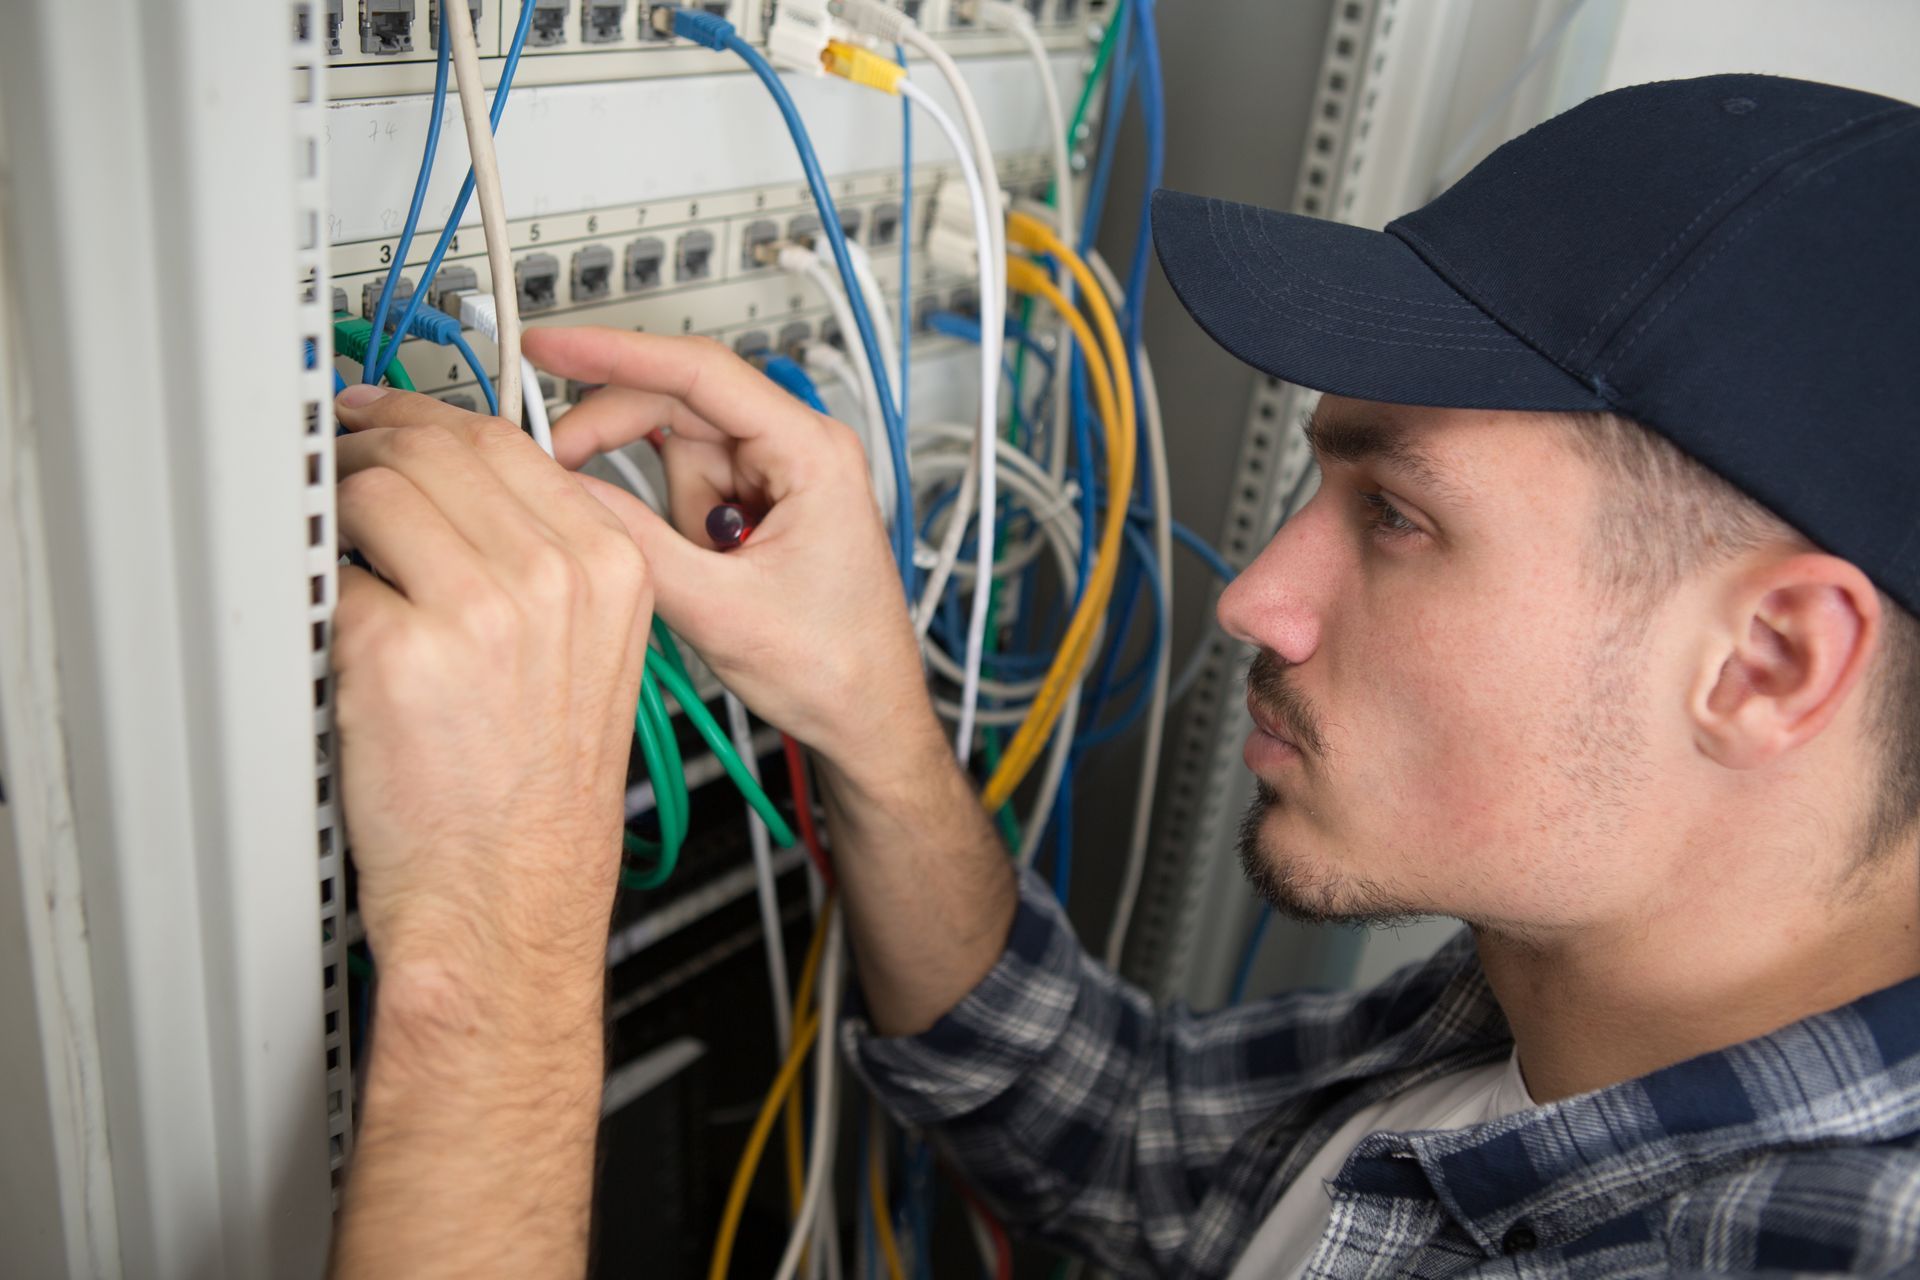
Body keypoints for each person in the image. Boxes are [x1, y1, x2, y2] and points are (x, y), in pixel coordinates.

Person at [326, 73, 1920, 1278]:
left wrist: (495, 946)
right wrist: (871, 703)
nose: (1263, 599)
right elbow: (1123, 1133)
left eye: (1398, 515)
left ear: (1770, 663)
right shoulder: (1561, 1006)